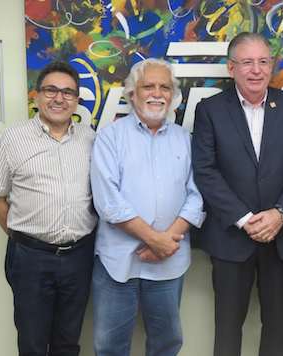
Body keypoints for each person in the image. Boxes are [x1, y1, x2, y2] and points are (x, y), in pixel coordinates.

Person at [191, 32, 283, 356]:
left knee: (277, 328)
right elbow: (205, 171)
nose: (256, 70)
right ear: (231, 67)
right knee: (228, 329)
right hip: (232, 239)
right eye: (247, 62)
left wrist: (280, 214)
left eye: (263, 61)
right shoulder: (210, 110)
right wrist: (245, 219)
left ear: (272, 65)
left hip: (281, 236)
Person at [90, 58, 205, 356]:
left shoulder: (186, 140)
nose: (157, 93)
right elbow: (108, 202)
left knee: (166, 344)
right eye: (148, 86)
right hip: (117, 263)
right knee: (110, 347)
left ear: (173, 95)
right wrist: (156, 240)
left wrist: (166, 242)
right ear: (132, 94)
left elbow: (198, 196)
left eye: (164, 87)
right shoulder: (110, 137)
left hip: (170, 260)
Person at [0, 61, 97, 356]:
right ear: (36, 96)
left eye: (68, 93)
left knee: (68, 341)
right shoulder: (12, 140)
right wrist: (25, 236)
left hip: (79, 256)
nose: (59, 98)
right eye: (51, 90)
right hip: (31, 259)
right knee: (32, 343)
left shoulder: (91, 139)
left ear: (75, 101)